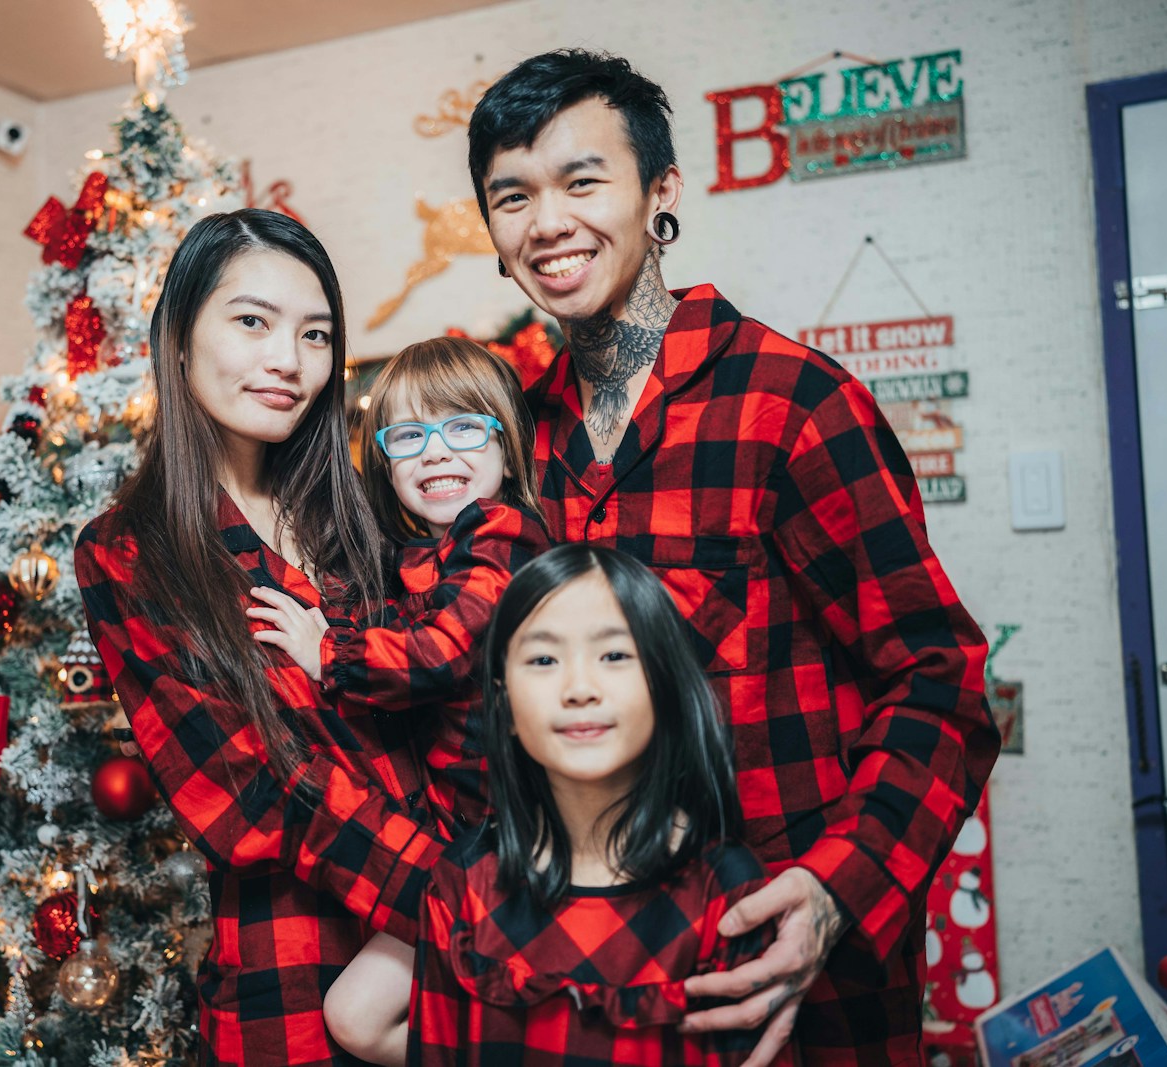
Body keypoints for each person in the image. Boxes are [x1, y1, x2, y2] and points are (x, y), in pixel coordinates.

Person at [466, 50, 998, 1066]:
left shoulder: (792, 405)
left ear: (660, 192)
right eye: (511, 196)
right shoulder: (514, 444)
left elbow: (939, 681)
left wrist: (840, 891)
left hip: (794, 977)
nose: (545, 222)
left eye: (582, 180)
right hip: (603, 978)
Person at [75, 209, 446, 1066]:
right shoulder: (131, 551)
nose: (289, 360)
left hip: (457, 966)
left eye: (315, 334)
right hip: (297, 983)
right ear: (178, 336)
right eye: (252, 321)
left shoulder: (367, 515)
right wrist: (472, 895)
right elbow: (252, 795)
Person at [301, 544, 789, 1065]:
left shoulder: (726, 892)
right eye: (543, 659)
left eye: (615, 655)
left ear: (663, 684)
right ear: (504, 702)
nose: (579, 687)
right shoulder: (463, 886)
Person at [247, 336, 549, 1065]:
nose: (437, 453)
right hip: (456, 845)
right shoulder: (415, 560)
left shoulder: (508, 536)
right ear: (383, 459)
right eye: (410, 435)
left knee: (362, 1014)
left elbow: (448, 648)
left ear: (507, 449)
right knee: (354, 1017)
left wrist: (328, 652)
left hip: (521, 837)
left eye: (465, 428)